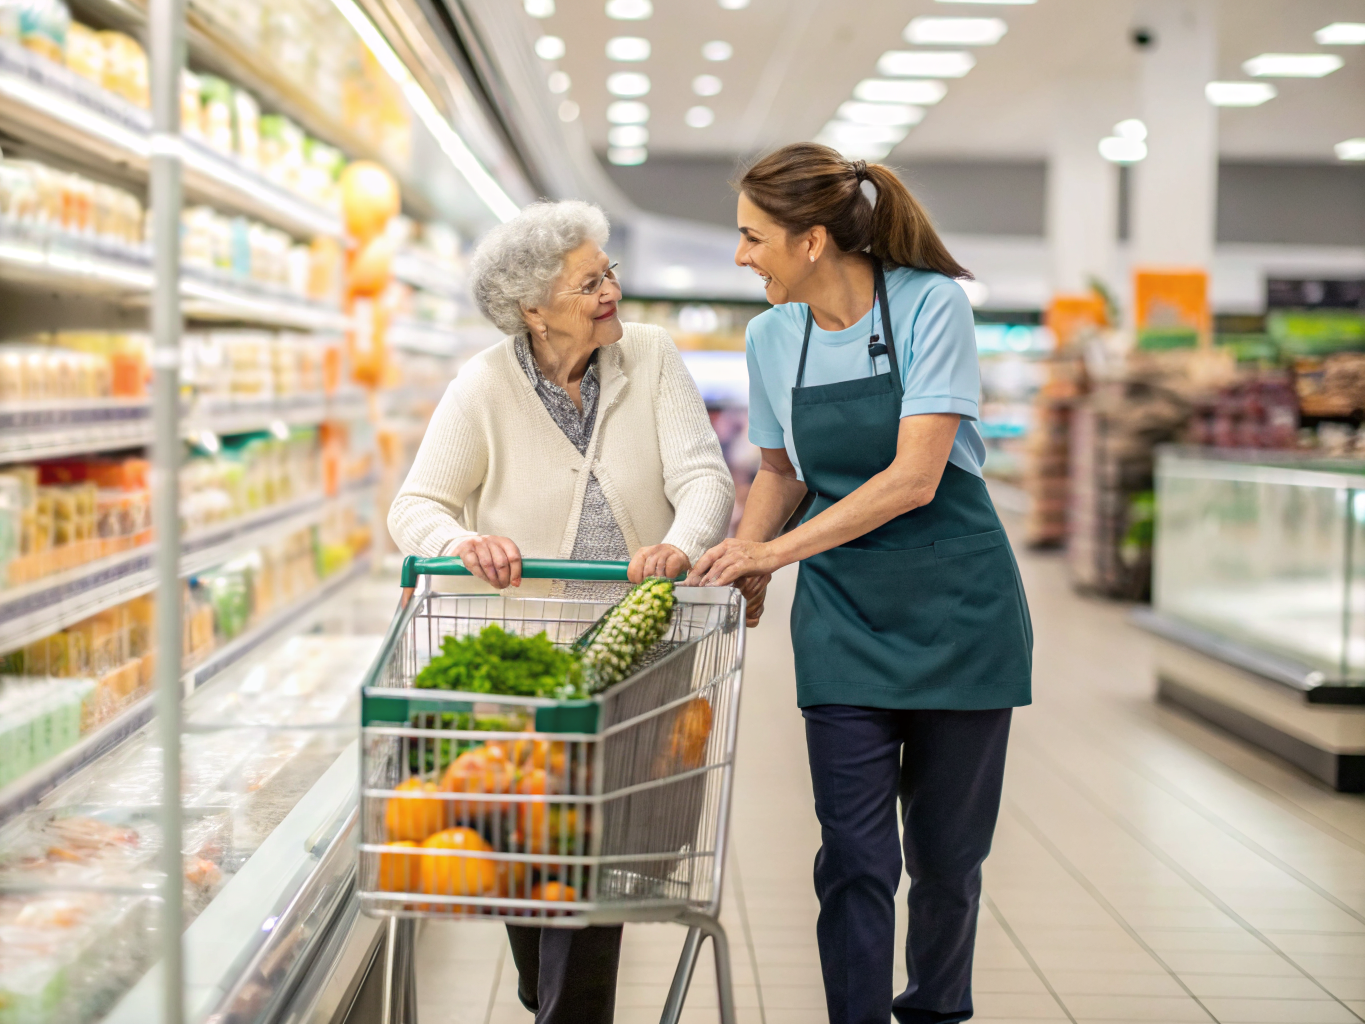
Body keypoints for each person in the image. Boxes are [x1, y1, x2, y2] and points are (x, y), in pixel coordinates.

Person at [688, 143, 1032, 1024]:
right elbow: (778, 470)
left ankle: (935, 1012)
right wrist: (744, 558)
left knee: (948, 861)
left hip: (960, 611)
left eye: (751, 236)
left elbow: (916, 478)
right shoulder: (771, 335)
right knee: (853, 854)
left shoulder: (928, 305)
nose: (740, 256)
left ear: (810, 241)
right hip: (843, 617)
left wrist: (775, 555)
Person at [388, 199, 734, 1023]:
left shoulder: (649, 357)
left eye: (607, 272)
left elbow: (704, 480)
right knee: (532, 871)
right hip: (528, 673)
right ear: (533, 309)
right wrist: (462, 541)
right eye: (589, 283)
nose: (610, 290)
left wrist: (678, 548)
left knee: (594, 869)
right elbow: (416, 505)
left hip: (636, 657)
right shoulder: (481, 385)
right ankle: (551, 999)